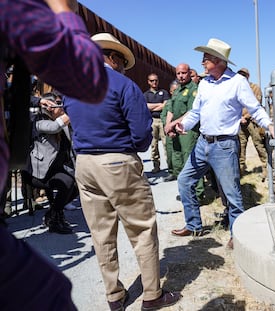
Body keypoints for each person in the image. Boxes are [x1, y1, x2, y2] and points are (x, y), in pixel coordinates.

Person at [0, 0, 108, 310]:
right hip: (40, 168)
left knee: (69, 181)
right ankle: (53, 213)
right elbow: (88, 77)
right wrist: (63, 11)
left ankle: (55, 214)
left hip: (56, 163)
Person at [64, 32, 181, 311]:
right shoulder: (122, 85)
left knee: (101, 233)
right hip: (116, 160)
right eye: (121, 62)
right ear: (113, 57)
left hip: (85, 163)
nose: (122, 67)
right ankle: (152, 294)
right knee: (141, 229)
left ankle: (114, 296)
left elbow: (72, 125)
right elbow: (142, 134)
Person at [166, 38, 274, 249]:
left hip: (224, 146)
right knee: (185, 181)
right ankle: (194, 225)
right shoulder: (204, 83)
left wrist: (269, 125)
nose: (202, 61)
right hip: (202, 143)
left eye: (206, 58)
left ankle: (237, 234)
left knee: (232, 194)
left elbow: (255, 108)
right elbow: (196, 112)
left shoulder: (237, 83)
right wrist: (183, 125)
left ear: (219, 61)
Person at [21, 92, 78, 234]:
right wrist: (75, 109)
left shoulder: (61, 123)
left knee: (76, 185)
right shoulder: (38, 122)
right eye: (60, 105)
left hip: (55, 170)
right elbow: (54, 127)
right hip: (36, 173)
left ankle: (53, 214)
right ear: (51, 108)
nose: (63, 108)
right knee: (67, 183)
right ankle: (55, 218)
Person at [164, 63, 204, 200]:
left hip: (189, 130)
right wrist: (168, 125)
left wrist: (174, 123)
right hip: (175, 130)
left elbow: (192, 111)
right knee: (178, 160)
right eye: (178, 73)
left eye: (184, 73)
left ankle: (197, 194)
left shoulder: (194, 89)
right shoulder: (177, 90)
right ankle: (185, 192)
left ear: (189, 73)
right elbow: (170, 108)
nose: (181, 76)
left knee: (190, 161)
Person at [237, 68, 268, 181]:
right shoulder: (236, 88)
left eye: (244, 75)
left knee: (259, 145)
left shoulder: (255, 88)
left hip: (253, 121)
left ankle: (266, 170)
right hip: (240, 122)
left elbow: (256, 105)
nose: (242, 77)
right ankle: (240, 171)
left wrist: (245, 117)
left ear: (248, 76)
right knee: (240, 147)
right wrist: (240, 118)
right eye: (240, 75)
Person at [144, 73, 170, 173]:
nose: (154, 82)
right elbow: (146, 106)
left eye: (156, 80)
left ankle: (170, 166)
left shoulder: (163, 92)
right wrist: (160, 104)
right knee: (154, 144)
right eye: (152, 81)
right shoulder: (146, 94)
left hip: (162, 120)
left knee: (166, 144)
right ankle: (156, 166)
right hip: (152, 120)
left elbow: (166, 105)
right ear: (148, 82)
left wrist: (154, 106)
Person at [161, 79, 179, 182]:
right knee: (170, 153)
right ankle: (172, 172)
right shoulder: (168, 103)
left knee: (179, 154)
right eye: (174, 91)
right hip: (169, 131)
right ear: (170, 91)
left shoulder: (181, 101)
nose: (176, 92)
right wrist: (168, 127)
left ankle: (179, 172)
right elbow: (163, 115)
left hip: (179, 130)